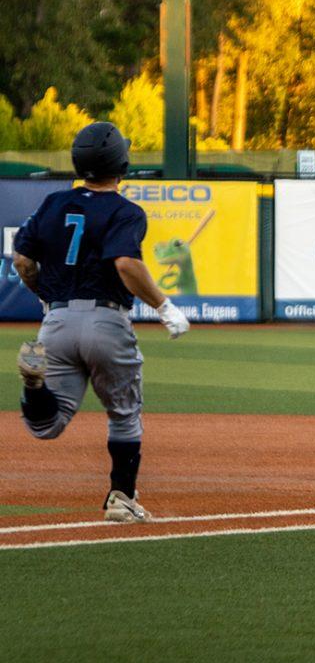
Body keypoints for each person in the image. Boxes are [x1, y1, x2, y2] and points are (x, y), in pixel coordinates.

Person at [11, 122, 190, 522]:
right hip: (107, 322)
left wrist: (45, 294)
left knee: (48, 425)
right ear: (120, 163)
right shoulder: (126, 211)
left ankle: (33, 385)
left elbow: (22, 259)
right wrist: (164, 307)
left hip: (55, 323)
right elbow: (125, 263)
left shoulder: (54, 203)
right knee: (124, 414)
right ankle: (121, 498)